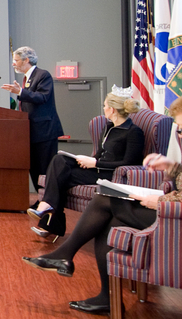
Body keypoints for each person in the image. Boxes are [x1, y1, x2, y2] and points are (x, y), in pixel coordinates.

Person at [22, 92, 182, 314]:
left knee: (105, 198)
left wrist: (156, 200)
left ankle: (67, 256)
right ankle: (105, 295)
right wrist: (170, 167)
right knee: (109, 217)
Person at [28, 88, 146, 240]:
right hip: (96, 168)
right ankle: (48, 214)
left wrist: (96, 163)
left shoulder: (133, 132)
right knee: (59, 160)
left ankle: (49, 218)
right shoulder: (108, 127)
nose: (103, 109)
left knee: (60, 177)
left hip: (109, 174)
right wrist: (86, 159)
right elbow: (100, 152)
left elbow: (130, 162)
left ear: (112, 109)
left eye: (105, 106)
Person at [1, 46, 64, 191]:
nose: (13, 63)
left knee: (45, 170)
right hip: (32, 133)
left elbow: (42, 97)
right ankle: (41, 199)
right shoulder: (26, 78)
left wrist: (20, 92)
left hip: (44, 133)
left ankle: (49, 203)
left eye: (16, 60)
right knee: (34, 169)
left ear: (26, 60)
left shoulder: (43, 75)